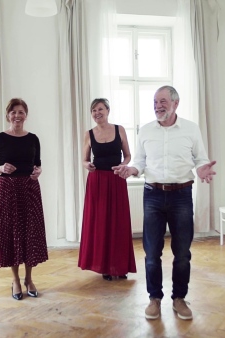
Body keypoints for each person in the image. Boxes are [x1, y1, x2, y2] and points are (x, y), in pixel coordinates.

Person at [113, 85, 217, 321]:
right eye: (155, 102)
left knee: (182, 253)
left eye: (162, 101)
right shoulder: (146, 131)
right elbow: (139, 161)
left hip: (182, 195)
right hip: (153, 195)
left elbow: (200, 158)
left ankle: (179, 298)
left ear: (175, 103)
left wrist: (202, 169)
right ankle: (154, 299)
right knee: (151, 253)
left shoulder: (191, 129)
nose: (158, 106)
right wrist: (131, 169)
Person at [0, 98, 48, 300]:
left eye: (21, 112)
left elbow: (38, 165)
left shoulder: (33, 139)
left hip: (29, 188)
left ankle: (29, 279)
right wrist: (0, 168)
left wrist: (38, 171)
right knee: (11, 234)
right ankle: (14, 280)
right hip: (6, 189)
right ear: (8, 115)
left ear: (26, 115)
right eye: (13, 112)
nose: (17, 116)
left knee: (30, 233)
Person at [78, 98, 137, 281]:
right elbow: (84, 159)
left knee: (118, 223)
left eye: (100, 109)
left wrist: (123, 165)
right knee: (101, 223)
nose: (97, 113)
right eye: (94, 110)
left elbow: (127, 155)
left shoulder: (119, 129)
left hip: (117, 179)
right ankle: (104, 265)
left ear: (108, 110)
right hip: (97, 182)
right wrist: (87, 165)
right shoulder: (89, 133)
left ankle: (120, 266)